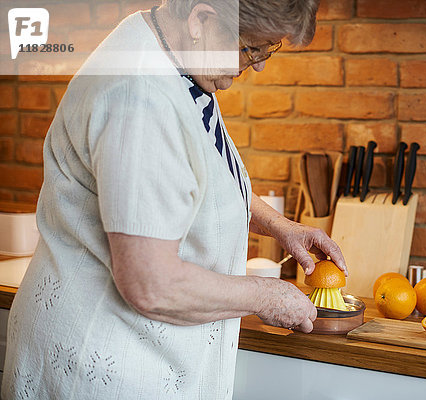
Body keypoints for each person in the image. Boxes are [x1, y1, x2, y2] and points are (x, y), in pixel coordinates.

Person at [2, 0, 347, 398]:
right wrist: (265, 295)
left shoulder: (175, 53)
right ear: (201, 19)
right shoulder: (139, 98)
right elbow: (152, 285)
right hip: (99, 368)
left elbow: (192, 178)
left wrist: (279, 226)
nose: (258, 65)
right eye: (251, 49)